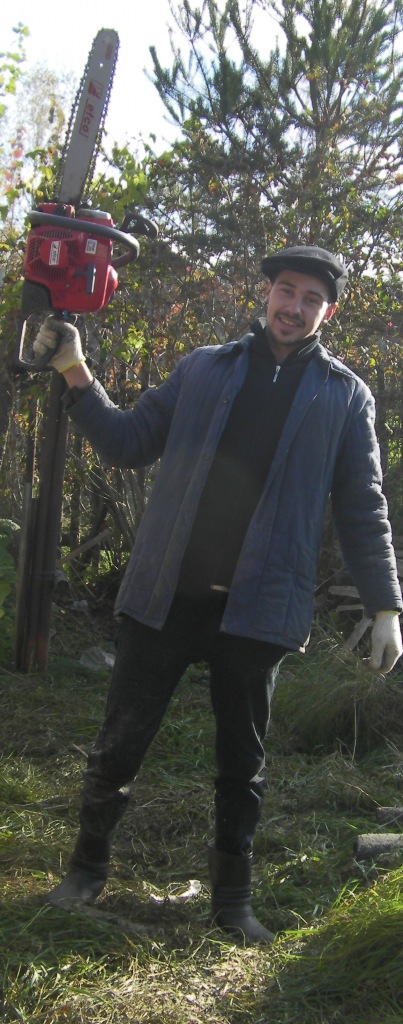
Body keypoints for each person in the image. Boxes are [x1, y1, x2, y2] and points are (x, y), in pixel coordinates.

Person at [34, 244, 403, 944]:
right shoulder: (203, 368)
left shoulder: (344, 396)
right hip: (165, 596)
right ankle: (85, 870)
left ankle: (232, 902)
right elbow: (127, 442)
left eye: (311, 299)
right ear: (266, 292)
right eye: (286, 290)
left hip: (259, 608)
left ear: (328, 312)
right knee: (118, 745)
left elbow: (363, 505)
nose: (294, 308)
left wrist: (385, 606)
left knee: (243, 764)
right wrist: (74, 370)